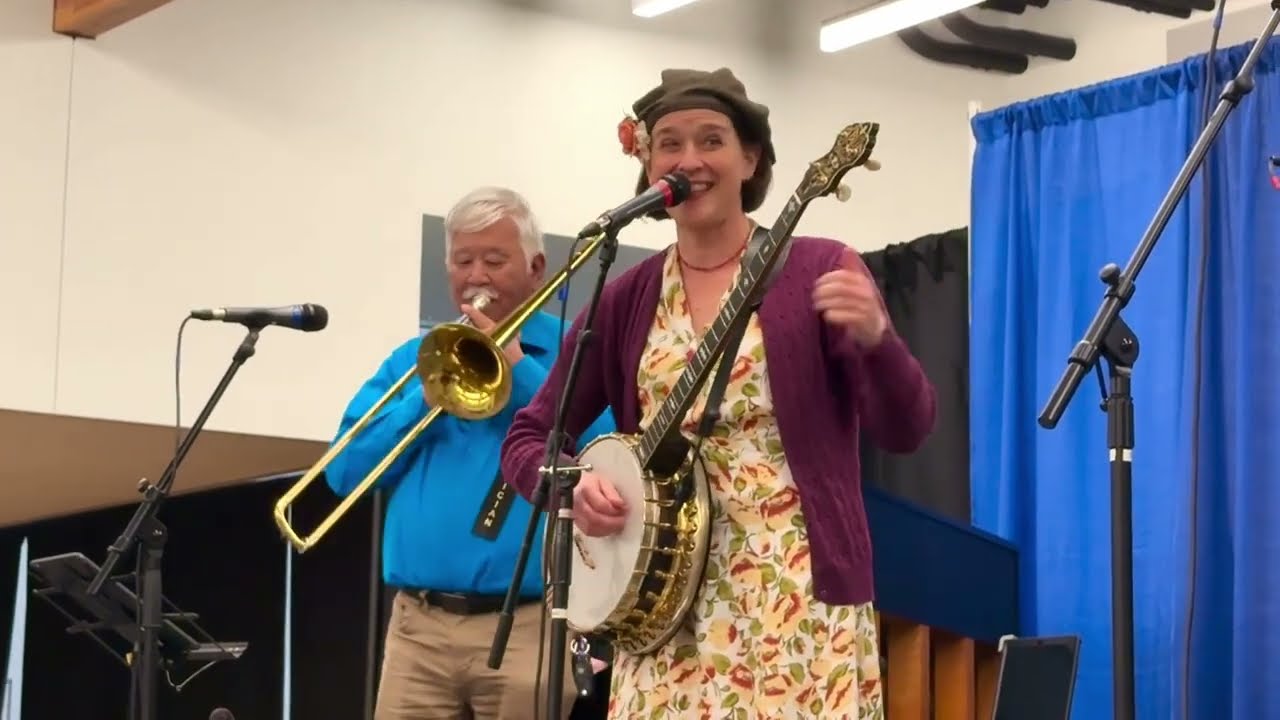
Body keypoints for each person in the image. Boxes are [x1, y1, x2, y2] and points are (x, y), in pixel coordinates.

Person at [499, 68, 937, 719]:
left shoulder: (820, 267)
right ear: (648, 166)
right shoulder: (625, 298)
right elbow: (528, 436)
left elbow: (908, 428)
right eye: (669, 144)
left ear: (749, 158)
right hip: (661, 609)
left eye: (712, 140)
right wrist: (571, 485)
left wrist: (878, 342)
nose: (690, 160)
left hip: (795, 603)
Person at [324, 186, 615, 720]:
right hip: (418, 627)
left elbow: (608, 453)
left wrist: (521, 370)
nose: (476, 274)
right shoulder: (412, 362)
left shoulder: (581, 349)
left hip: (531, 625)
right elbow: (344, 473)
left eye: (494, 259)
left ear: (536, 267)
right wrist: (425, 394)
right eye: (463, 260)